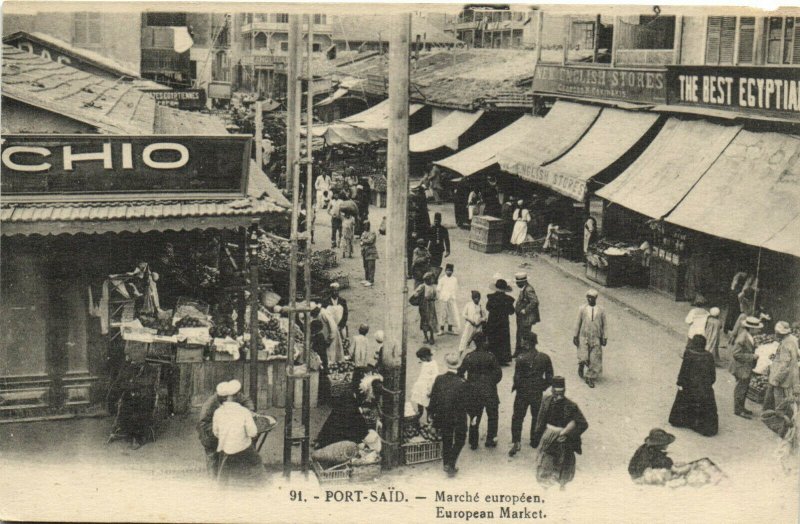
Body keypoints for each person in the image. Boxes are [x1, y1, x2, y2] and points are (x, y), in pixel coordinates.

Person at [531, 377, 589, 488]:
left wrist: (568, 435)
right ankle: (545, 487)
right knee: (545, 464)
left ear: (564, 391)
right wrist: (537, 436)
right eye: (556, 393)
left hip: (563, 441)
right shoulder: (546, 400)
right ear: (552, 391)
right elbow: (540, 419)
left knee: (563, 468)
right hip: (548, 438)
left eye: (561, 393)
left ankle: (561, 488)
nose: (558, 396)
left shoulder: (571, 406)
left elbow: (583, 424)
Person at [509, 331, 553, 457]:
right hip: (536, 393)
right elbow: (550, 377)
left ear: (527, 343)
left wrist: (518, 387)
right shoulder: (545, 358)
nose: (521, 342)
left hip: (522, 393)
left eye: (523, 340)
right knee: (536, 417)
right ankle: (534, 440)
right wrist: (542, 386)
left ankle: (516, 441)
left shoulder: (521, 358)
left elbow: (517, 378)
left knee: (517, 417)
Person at [212, 380, 264, 485]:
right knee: (258, 464)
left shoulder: (217, 412)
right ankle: (258, 484)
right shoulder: (244, 411)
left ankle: (224, 485)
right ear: (233, 397)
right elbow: (252, 433)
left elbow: (216, 432)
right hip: (243, 449)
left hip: (226, 450)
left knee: (223, 473)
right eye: (238, 394)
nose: (240, 395)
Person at [198, 381, 255, 476]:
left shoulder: (234, 396)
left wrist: (250, 411)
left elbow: (246, 400)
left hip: (221, 430)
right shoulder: (210, 404)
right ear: (223, 397)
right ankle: (213, 481)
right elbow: (203, 423)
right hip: (208, 433)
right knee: (213, 456)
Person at [458, 332, 502, 450]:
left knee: (474, 417)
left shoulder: (469, 357)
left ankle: (473, 441)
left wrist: (468, 384)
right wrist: (490, 383)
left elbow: (460, 373)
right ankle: (490, 439)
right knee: (492, 416)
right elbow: (499, 374)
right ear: (483, 342)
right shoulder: (491, 357)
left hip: (474, 392)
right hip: (490, 392)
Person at [429, 353, 470, 477]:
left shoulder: (439, 379)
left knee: (446, 438)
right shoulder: (463, 382)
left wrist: (432, 414)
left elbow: (433, 398)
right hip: (458, 416)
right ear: (458, 366)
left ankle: (446, 462)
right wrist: (473, 415)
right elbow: (467, 402)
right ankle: (451, 463)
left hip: (443, 414)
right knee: (460, 439)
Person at [668, 335, 718, 436]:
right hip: (704, 388)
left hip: (689, 387)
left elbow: (684, 371)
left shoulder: (689, 354)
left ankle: (682, 421)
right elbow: (712, 375)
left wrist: (680, 383)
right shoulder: (709, 356)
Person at [573, 289, 608, 388]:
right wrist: (575, 336)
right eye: (588, 297)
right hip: (584, 336)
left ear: (595, 298)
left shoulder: (601, 310)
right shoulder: (582, 309)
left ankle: (589, 377)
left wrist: (605, 337)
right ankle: (581, 365)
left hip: (596, 337)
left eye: (592, 298)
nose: (589, 299)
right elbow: (577, 323)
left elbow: (605, 325)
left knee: (594, 358)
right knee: (583, 356)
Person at [730, 316, 763, 419]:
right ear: (752, 328)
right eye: (757, 328)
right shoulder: (742, 338)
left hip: (745, 367)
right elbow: (736, 354)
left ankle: (741, 407)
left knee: (744, 388)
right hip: (741, 368)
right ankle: (738, 410)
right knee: (741, 389)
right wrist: (751, 356)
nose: (759, 330)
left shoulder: (748, 336)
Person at [768, 321, 800, 408]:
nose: (775, 334)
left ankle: (780, 418)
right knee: (787, 400)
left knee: (779, 402)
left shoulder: (785, 344)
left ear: (780, 333)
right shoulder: (793, 339)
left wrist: (777, 379)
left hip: (783, 378)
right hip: (792, 375)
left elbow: (784, 366)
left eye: (776, 332)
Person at [485, 278, 516, 366]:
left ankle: (492, 358)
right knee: (503, 340)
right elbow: (511, 312)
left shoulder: (491, 297)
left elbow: (487, 308)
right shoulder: (508, 299)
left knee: (493, 338)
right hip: (503, 323)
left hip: (493, 322)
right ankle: (502, 359)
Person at [514, 273, 541, 355]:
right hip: (522, 317)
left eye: (518, 282)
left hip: (526, 318)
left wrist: (525, 310)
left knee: (524, 334)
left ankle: (523, 352)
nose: (516, 284)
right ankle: (518, 351)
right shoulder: (524, 288)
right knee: (520, 333)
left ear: (523, 282)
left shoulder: (528, 289)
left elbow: (535, 301)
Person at [410, 347, 440, 420]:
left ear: (427, 356)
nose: (421, 360)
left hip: (427, 389)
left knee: (428, 406)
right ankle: (418, 415)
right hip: (421, 388)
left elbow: (434, 380)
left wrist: (430, 391)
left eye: (422, 358)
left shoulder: (434, 365)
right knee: (419, 403)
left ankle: (429, 420)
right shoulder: (425, 362)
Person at [459, 290, 485, 358]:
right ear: (473, 298)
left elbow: (484, 316)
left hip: (478, 326)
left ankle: (475, 356)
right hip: (469, 326)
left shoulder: (480, 306)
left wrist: (481, 320)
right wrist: (470, 320)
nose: (478, 299)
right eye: (476, 298)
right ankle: (460, 354)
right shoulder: (468, 305)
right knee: (465, 339)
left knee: (476, 340)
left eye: (479, 298)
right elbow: (464, 314)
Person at [437, 264, 461, 335]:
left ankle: (450, 329)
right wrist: (441, 296)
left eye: (450, 271)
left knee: (451, 314)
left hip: (451, 299)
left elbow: (456, 288)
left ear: (452, 271)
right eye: (447, 270)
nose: (449, 272)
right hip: (443, 299)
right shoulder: (442, 280)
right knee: (443, 314)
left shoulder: (454, 279)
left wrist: (453, 296)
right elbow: (438, 289)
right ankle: (441, 329)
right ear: (445, 271)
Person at [415, 271, 439, 345]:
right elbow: (415, 294)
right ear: (427, 279)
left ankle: (431, 336)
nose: (432, 281)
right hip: (424, 305)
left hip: (431, 305)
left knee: (431, 320)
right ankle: (425, 337)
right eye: (431, 279)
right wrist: (419, 295)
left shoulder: (433, 287)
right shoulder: (422, 286)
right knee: (424, 320)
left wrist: (434, 298)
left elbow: (436, 296)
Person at [427, 212, 451, 279]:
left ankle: (435, 277)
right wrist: (426, 250)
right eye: (435, 221)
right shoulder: (431, 228)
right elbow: (427, 239)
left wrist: (448, 251)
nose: (436, 222)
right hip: (432, 249)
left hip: (440, 250)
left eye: (438, 221)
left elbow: (447, 240)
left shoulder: (443, 229)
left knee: (438, 264)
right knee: (431, 263)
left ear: (440, 221)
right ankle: (431, 277)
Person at [360, 220, 379, 287]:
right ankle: (367, 279)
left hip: (371, 252)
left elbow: (370, 241)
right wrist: (364, 241)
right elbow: (361, 240)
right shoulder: (363, 233)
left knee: (371, 266)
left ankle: (371, 280)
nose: (366, 227)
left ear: (369, 225)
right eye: (364, 225)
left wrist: (364, 241)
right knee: (365, 266)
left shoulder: (372, 233)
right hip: (365, 252)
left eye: (367, 225)